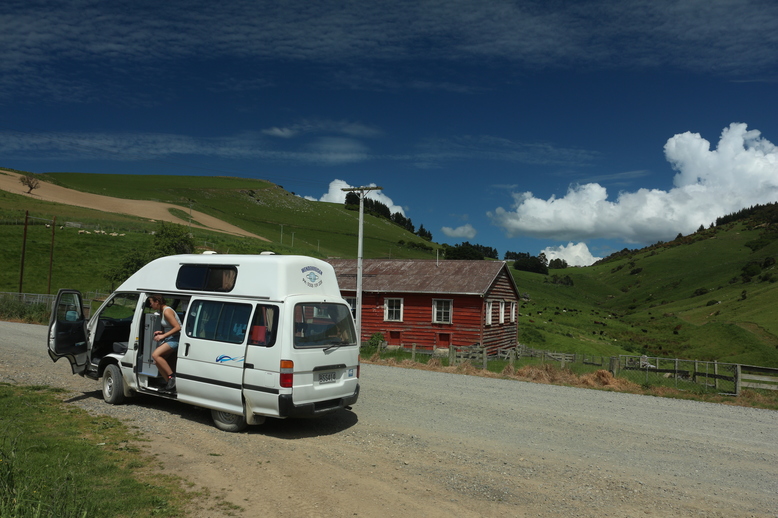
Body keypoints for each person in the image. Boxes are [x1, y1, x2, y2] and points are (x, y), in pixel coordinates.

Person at [148, 295, 182, 392]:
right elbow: (171, 327)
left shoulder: (167, 311)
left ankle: (172, 377)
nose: (150, 305)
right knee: (157, 361)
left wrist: (163, 336)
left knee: (155, 354)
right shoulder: (162, 312)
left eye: (151, 302)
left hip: (176, 338)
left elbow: (177, 327)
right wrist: (162, 332)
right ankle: (170, 385)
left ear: (157, 302)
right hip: (171, 337)